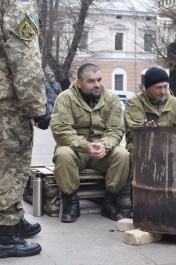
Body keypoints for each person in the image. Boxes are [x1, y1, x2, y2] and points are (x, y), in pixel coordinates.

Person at [50, 63, 130, 223]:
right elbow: (60, 130)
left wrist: (104, 146)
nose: (97, 84)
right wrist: (85, 146)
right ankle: (71, 202)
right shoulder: (65, 98)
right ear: (79, 83)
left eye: (99, 80)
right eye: (91, 81)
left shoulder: (112, 99)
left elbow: (116, 130)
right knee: (63, 153)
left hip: (101, 152)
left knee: (123, 154)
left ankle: (110, 201)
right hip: (76, 152)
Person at [0, 0, 47, 258]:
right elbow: (24, 55)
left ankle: (13, 218)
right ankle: (5, 234)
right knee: (11, 162)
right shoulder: (19, 2)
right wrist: (37, 105)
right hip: (8, 101)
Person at [124, 67, 176, 153]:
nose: (163, 91)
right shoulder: (134, 103)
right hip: (142, 146)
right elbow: (132, 134)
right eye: (158, 87)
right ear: (148, 88)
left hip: (171, 146)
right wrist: (147, 132)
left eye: (165, 86)